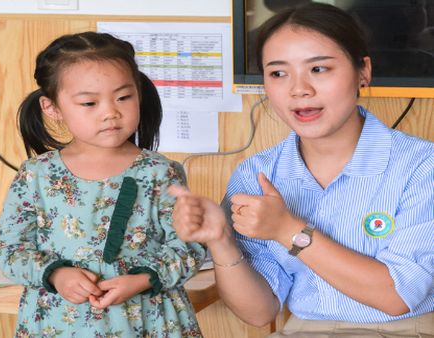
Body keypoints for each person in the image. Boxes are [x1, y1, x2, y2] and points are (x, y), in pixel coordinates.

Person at [170, 3, 433, 337]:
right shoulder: (256, 173)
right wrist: (221, 241)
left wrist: (288, 229)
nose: (299, 89)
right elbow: (259, 311)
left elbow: (398, 296)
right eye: (278, 73)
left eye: (319, 69)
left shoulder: (422, 165)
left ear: (363, 71)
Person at [0, 31, 205, 337]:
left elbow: (190, 247)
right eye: (90, 102)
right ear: (52, 108)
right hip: (60, 324)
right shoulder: (36, 175)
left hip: (149, 321)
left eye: (124, 97)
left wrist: (142, 279)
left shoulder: (161, 172)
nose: (110, 112)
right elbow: (8, 247)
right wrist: (56, 275)